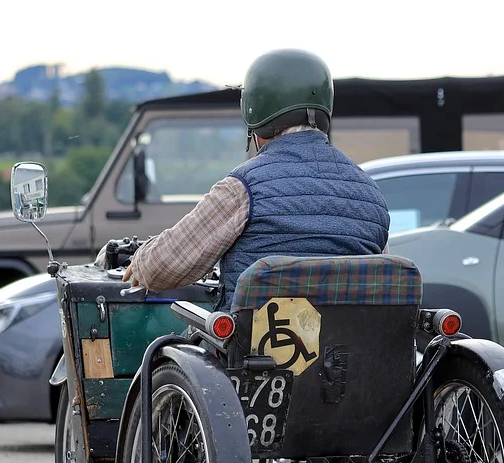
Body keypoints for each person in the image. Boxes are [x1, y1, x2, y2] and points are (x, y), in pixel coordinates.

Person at [123, 48, 391, 311]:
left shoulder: (243, 188)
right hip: (351, 353)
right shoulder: (371, 194)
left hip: (255, 352)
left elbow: (164, 267)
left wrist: (141, 261)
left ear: (255, 112)